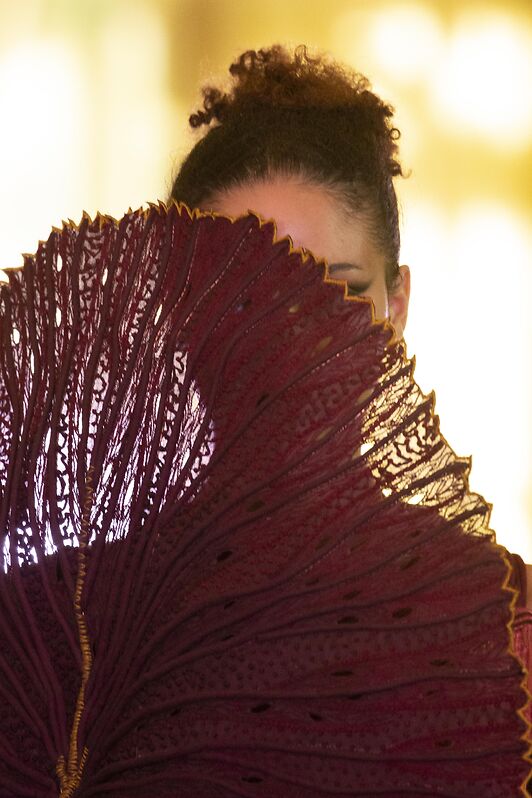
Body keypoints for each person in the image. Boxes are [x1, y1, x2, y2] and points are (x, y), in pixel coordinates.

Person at [168, 45, 531, 616]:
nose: (288, 340)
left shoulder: (502, 620)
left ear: (397, 308)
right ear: (181, 316)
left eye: (335, 291)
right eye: (242, 298)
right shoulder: (71, 625)